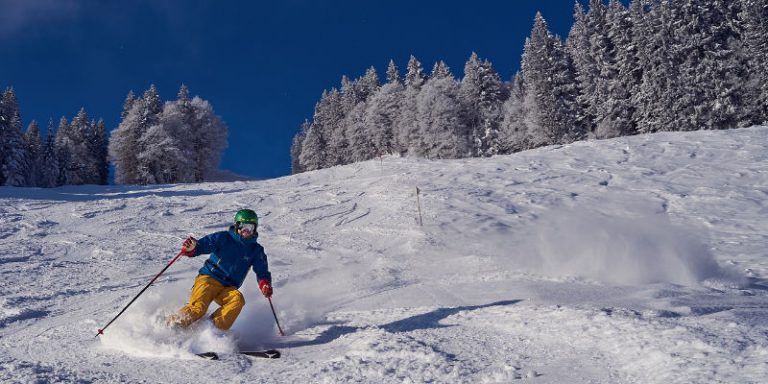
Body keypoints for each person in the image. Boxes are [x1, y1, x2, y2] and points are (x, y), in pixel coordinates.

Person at [166, 209, 273, 331]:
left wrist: (265, 284)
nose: (246, 231)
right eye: (243, 226)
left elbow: (262, 270)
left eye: (251, 227)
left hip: (228, 287)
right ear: (237, 225)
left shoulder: (256, 250)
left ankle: (211, 330)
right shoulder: (224, 238)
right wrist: (193, 248)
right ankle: (173, 324)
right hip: (209, 278)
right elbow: (204, 245)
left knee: (237, 300)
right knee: (199, 308)